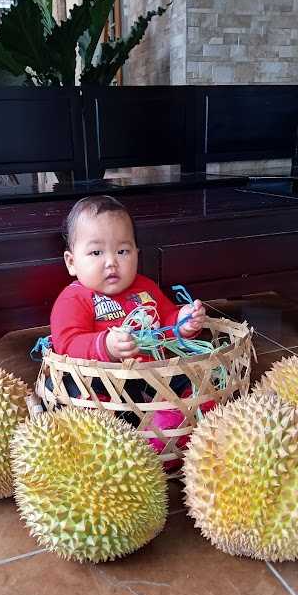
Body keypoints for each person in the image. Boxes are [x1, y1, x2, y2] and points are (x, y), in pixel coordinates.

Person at [49, 195, 213, 464]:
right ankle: (113, 447)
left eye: (122, 251)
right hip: (104, 379)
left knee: (196, 386)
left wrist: (184, 322)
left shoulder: (145, 288)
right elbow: (66, 344)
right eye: (96, 252)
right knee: (82, 397)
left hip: (155, 374)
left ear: (137, 253)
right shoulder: (74, 298)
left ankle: (161, 439)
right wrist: (106, 346)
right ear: (71, 262)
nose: (111, 262)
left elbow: (166, 321)